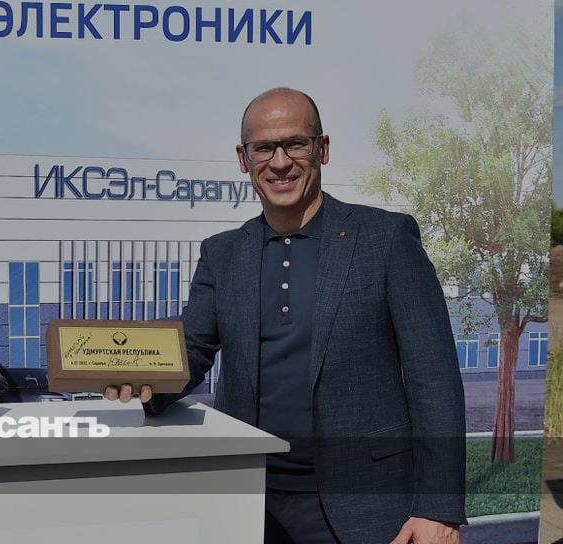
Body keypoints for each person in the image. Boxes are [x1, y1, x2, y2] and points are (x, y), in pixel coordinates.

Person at [106, 88, 466, 543]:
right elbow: (190, 351)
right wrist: (136, 377)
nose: (280, 163)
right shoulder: (222, 254)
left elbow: (434, 377)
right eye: (264, 148)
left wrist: (438, 507)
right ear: (244, 159)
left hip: (367, 506)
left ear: (322, 149)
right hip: (247, 500)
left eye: (295, 144)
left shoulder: (386, 239)